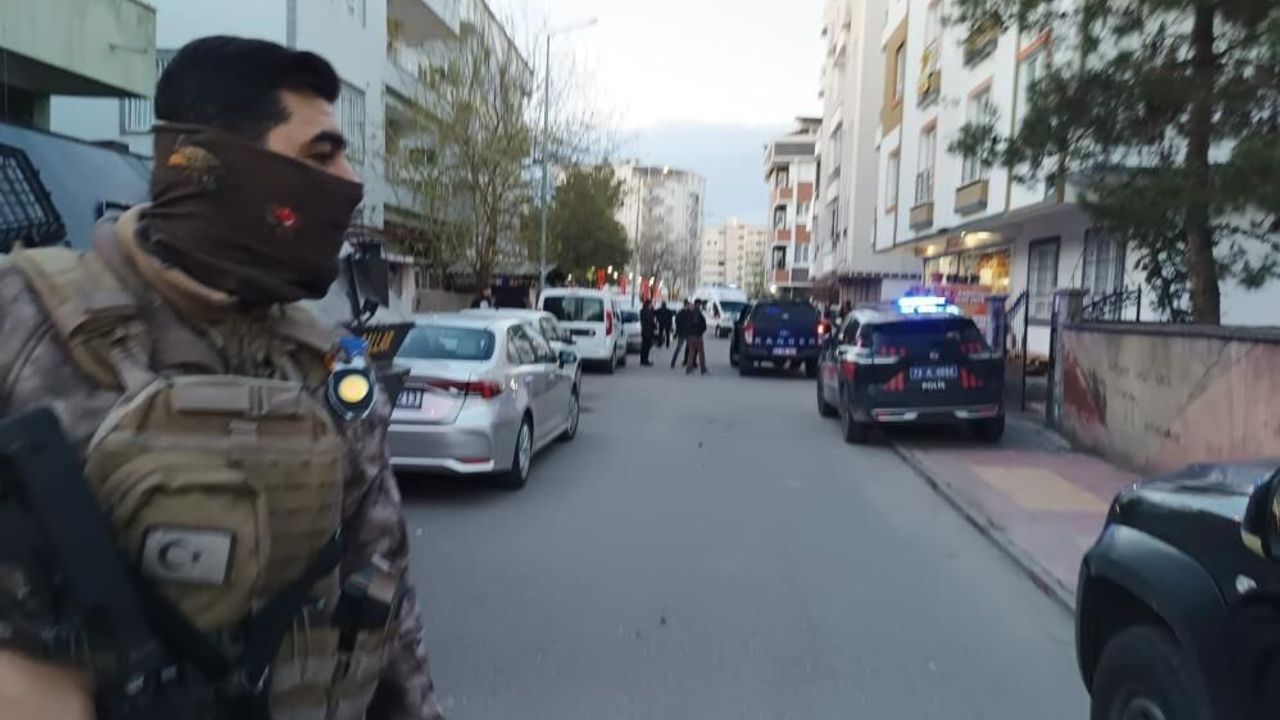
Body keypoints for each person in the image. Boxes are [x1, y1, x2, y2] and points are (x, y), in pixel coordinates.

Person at [0, 37, 445, 720]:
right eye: (320, 156)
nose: (348, 182)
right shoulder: (24, 318)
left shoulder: (326, 360)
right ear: (208, 168)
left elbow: (382, 588)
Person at [686, 300, 709, 375]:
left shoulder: (690, 314)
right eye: (700, 304)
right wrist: (700, 332)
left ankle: (689, 369)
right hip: (698, 336)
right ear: (698, 305)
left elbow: (687, 325)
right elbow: (703, 326)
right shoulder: (699, 314)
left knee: (691, 353)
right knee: (701, 353)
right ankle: (703, 369)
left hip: (690, 336)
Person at [671, 299, 693, 369]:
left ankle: (687, 362)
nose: (687, 307)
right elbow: (677, 322)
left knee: (689, 348)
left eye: (688, 305)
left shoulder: (690, 313)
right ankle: (673, 362)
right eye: (687, 305)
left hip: (688, 333)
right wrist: (677, 331)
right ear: (685, 306)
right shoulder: (681, 313)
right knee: (678, 348)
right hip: (682, 333)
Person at [639, 297, 657, 366]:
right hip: (648, 331)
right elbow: (651, 321)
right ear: (648, 304)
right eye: (651, 304)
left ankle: (642, 360)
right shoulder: (648, 312)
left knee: (644, 346)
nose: (651, 305)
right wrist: (655, 327)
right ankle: (645, 360)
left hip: (644, 331)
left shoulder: (642, 311)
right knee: (647, 346)